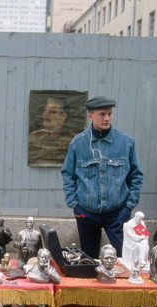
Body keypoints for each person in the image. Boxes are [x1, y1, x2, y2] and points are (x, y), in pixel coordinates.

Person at [61, 96, 144, 259]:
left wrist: (128, 207)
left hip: (118, 213)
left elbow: (136, 176)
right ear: (90, 115)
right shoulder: (78, 144)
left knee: (124, 257)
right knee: (89, 260)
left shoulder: (126, 142)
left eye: (109, 114)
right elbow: (68, 174)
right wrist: (75, 205)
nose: (107, 118)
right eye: (102, 114)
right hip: (86, 213)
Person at [28, 96, 77, 167]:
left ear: (63, 116)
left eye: (52, 112)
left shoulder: (73, 141)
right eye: (45, 110)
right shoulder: (33, 137)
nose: (46, 115)